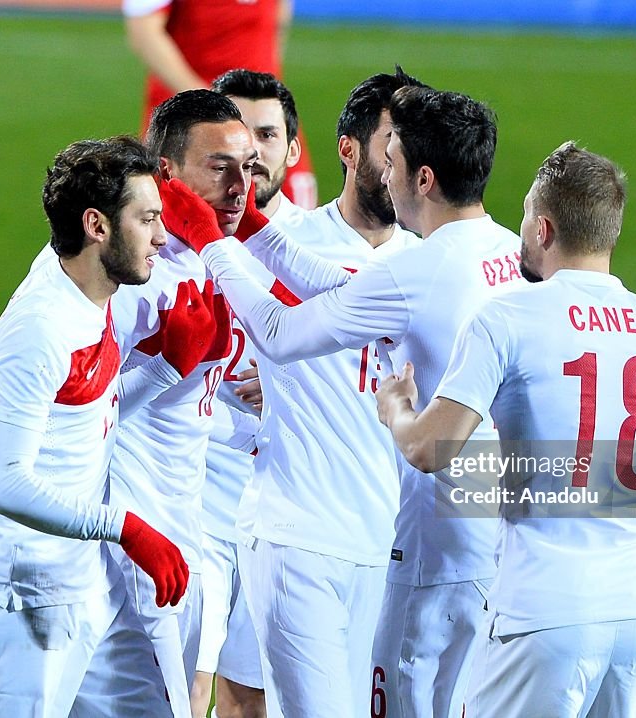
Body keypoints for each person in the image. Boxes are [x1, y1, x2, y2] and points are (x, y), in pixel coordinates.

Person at [159, 84, 525, 718]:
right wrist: (253, 229)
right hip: (468, 544)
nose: (387, 169)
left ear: (424, 176)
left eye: (396, 157)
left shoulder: (424, 266)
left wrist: (213, 242)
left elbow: (278, 332)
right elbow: (348, 289)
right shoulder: (503, 254)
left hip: (423, 548)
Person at [376, 141, 636, 717]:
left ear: (545, 229)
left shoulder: (508, 317)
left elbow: (428, 449)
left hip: (542, 616)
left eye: (525, 217)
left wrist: (397, 408)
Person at [167, 68, 425, 718]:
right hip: (268, 517)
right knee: (193, 689)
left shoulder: (428, 261)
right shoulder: (284, 243)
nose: (403, 161)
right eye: (393, 143)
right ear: (349, 148)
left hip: (384, 538)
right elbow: (218, 327)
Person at [0, 136, 216, 716]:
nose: (162, 239)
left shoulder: (93, 293)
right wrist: (127, 528)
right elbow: (4, 483)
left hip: (70, 586)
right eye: (146, 220)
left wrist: (166, 368)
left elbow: (89, 420)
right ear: (97, 226)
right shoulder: (38, 328)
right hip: (14, 598)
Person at [106, 89, 259, 718]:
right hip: (128, 541)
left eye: (248, 167)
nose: (238, 186)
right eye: (218, 167)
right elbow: (79, 412)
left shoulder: (209, 259)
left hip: (186, 531)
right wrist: (165, 364)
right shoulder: (131, 271)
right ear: (165, 173)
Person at [188, 69, 308, 718]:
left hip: (281, 495)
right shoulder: (165, 241)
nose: (250, 153)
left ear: (293, 149)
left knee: (252, 695)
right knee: (184, 673)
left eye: (266, 135)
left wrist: (298, 376)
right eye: (236, 136)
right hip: (191, 488)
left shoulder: (317, 248)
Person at [122, 0, 317, 209]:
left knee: (298, 219)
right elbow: (144, 33)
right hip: (189, 121)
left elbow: (278, 17)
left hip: (262, 115)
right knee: (177, 228)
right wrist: (211, 102)